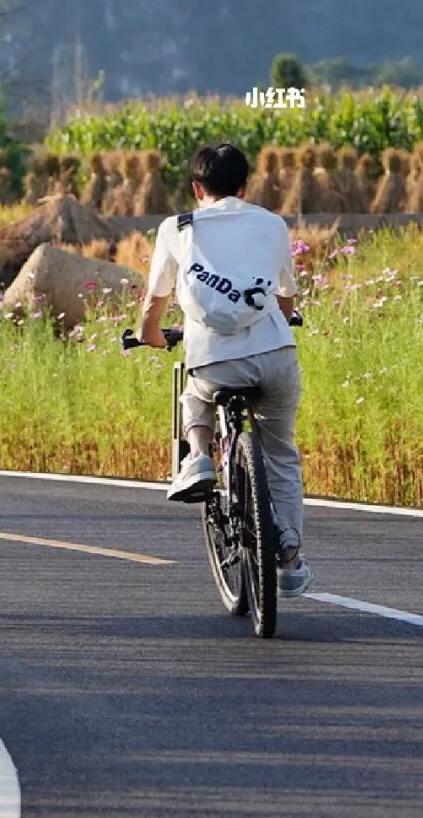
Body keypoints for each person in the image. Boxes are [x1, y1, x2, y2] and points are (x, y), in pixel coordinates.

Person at [138, 141, 313, 598]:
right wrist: (286, 314)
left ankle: (197, 457)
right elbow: (285, 292)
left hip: (214, 360)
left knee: (194, 395)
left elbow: (154, 300)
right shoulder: (272, 223)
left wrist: (149, 334)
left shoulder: (177, 227)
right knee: (280, 455)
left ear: (198, 188)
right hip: (275, 355)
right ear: (244, 185)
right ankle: (290, 557)